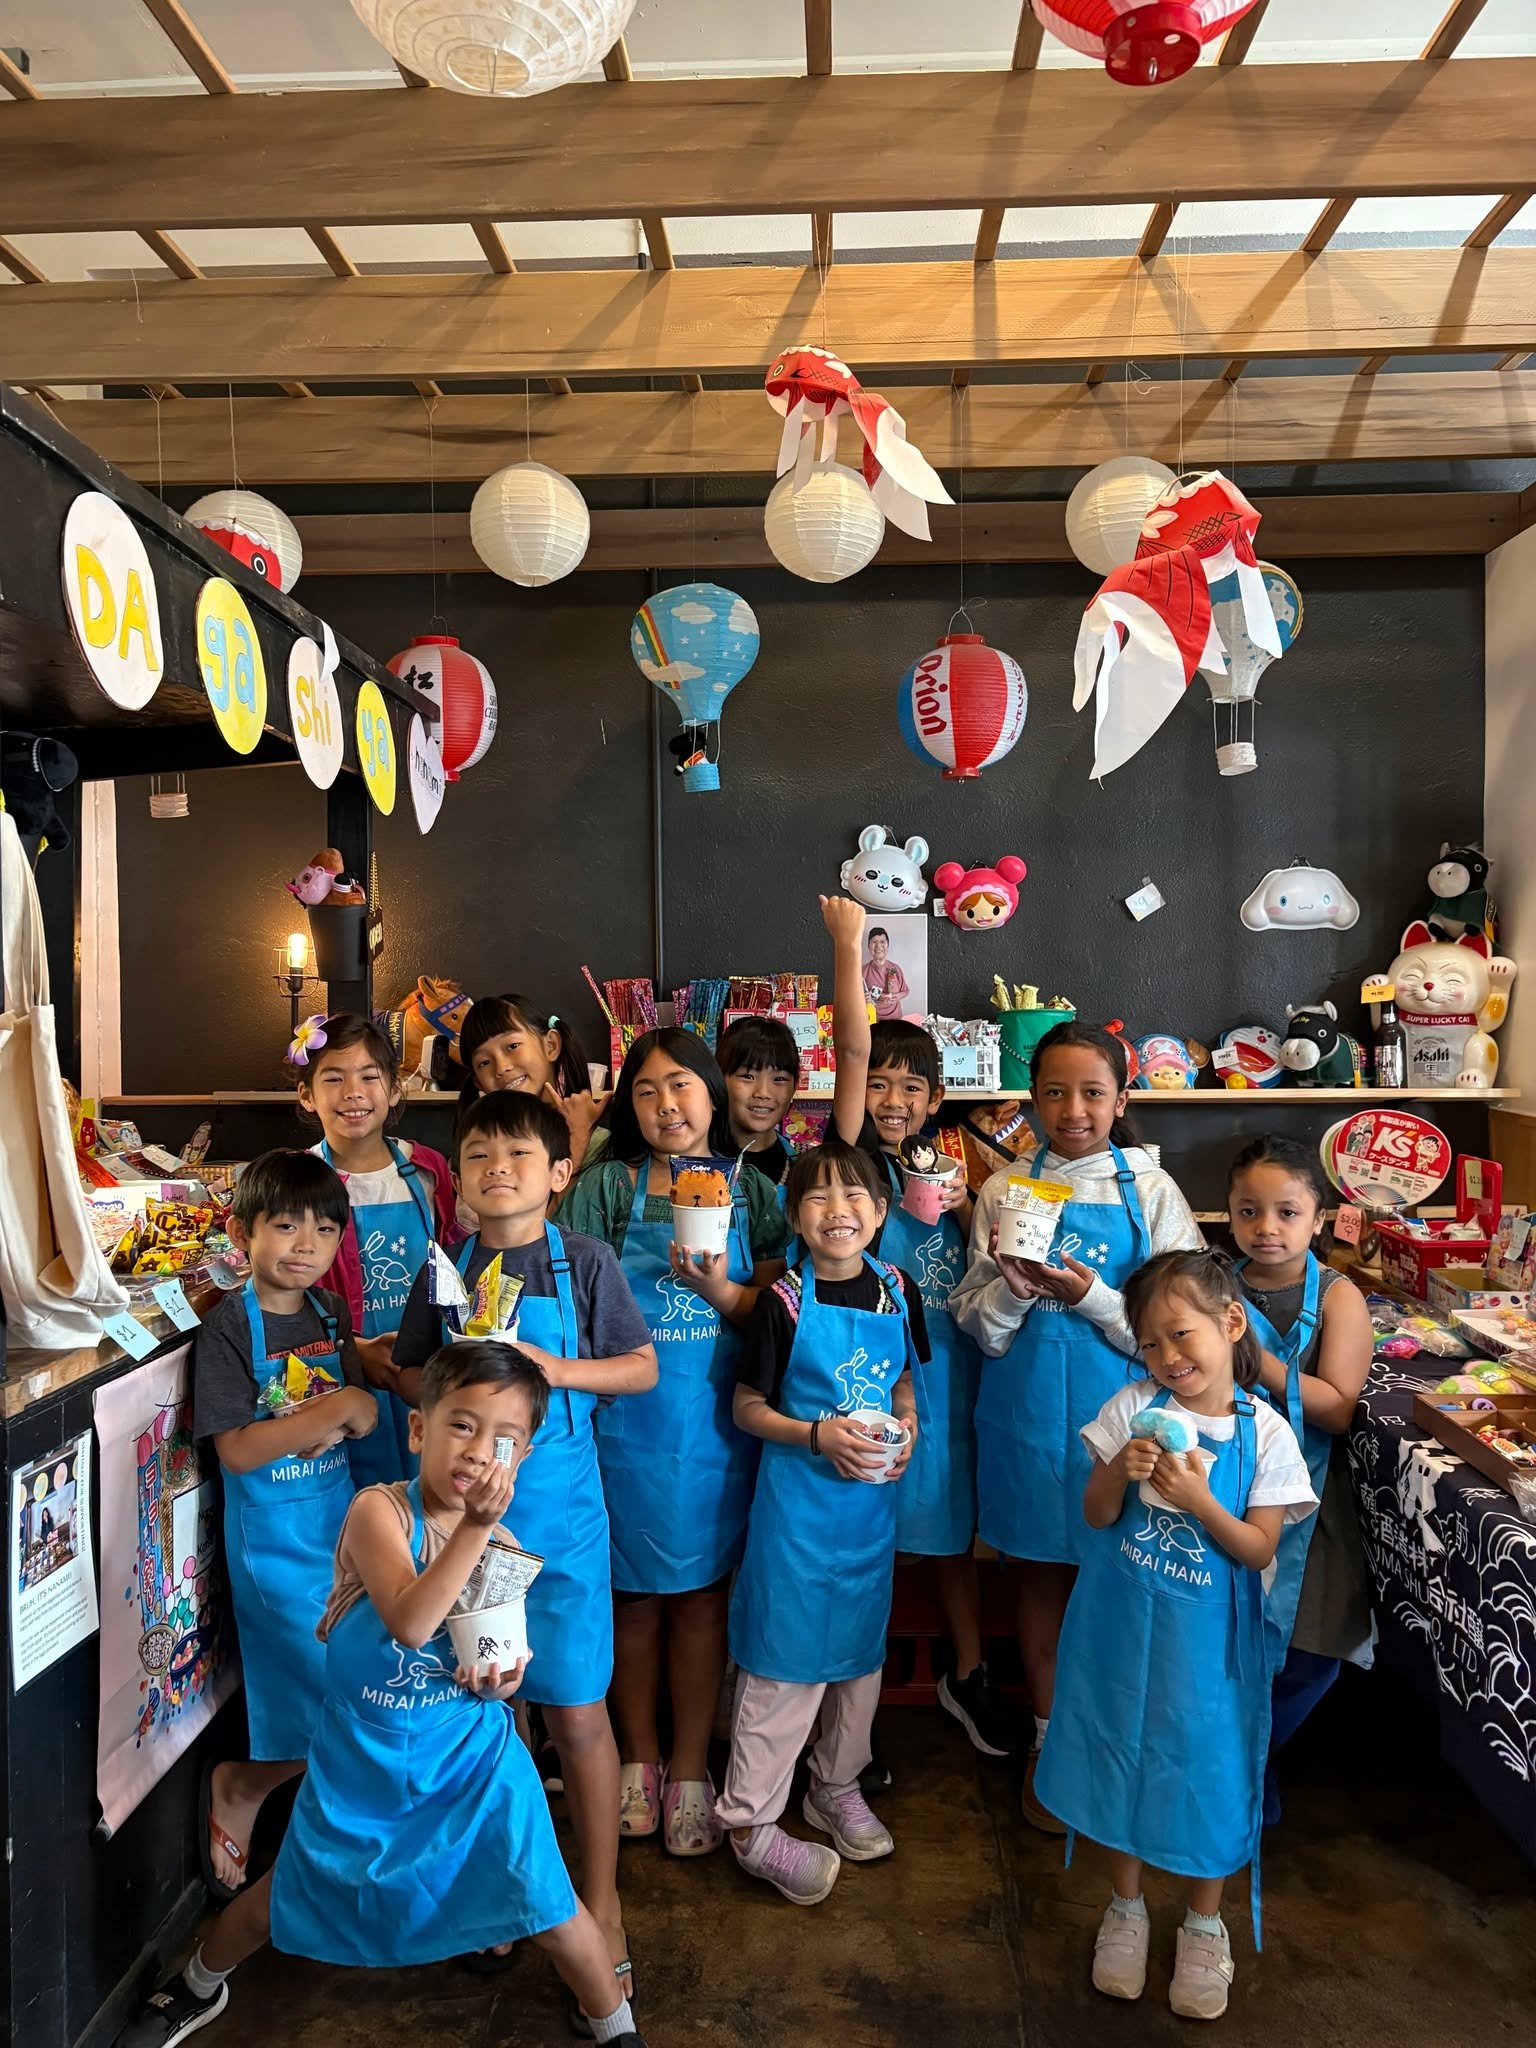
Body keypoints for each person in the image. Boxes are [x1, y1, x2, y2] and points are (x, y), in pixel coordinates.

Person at [116, 1341, 647, 2048]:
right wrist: (478, 1530)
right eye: (461, 1425)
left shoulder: (504, 1542)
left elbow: (507, 1664)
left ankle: (618, 2028)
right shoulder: (380, 1514)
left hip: (471, 1766)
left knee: (552, 1908)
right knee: (283, 1897)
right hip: (359, 1763)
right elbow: (409, 1619)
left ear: (523, 1459)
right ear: (419, 1430)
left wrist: (501, 1678)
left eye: (505, 1440)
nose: (478, 1451)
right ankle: (198, 1985)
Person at [391, 1089, 657, 2009]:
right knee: (488, 1724)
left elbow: (640, 1367)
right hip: (464, 1537)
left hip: (564, 1530)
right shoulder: (445, 1266)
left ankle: (602, 1902)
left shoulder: (586, 1262)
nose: (496, 1168)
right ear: (457, 1181)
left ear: (558, 1173)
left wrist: (553, 1369)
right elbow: (411, 1374)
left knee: (579, 1719)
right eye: (476, 1156)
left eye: (517, 1154)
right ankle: (504, 1891)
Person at [1036, 1250, 1316, 2020]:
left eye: (1180, 1335)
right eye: (1149, 1343)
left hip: (1211, 1664)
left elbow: (1260, 1549)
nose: (1166, 1357)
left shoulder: (1267, 1437)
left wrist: (1198, 1500)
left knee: (1206, 1772)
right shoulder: (1131, 1407)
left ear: (1231, 1324)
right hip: (1121, 1644)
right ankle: (1124, 1909)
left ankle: (1203, 1923)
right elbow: (1095, 1516)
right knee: (1120, 1759)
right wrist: (1118, 1471)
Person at [952, 1021, 1202, 1830]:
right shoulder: (1003, 1190)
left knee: (1132, 1585)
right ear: (1031, 1102)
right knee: (1041, 1577)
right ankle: (1050, 1745)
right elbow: (978, 1329)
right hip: (1026, 1421)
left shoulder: (1153, 1193)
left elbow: (1185, 1335)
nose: (1073, 1109)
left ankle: (1125, 1750)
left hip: (1131, 1430)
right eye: (1054, 1092)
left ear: (1122, 1099)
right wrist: (1016, 1291)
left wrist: (1090, 1296)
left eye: (1093, 1092)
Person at [562, 1028, 789, 1855]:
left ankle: (692, 1767)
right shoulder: (603, 1189)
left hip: (715, 1427)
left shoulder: (755, 1189)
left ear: (713, 1094)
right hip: (621, 1430)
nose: (667, 1105)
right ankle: (639, 1759)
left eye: (683, 1086)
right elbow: (569, 1299)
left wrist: (721, 1287)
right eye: (648, 1090)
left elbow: (775, 1307)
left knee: (699, 1598)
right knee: (627, 1596)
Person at [823, 895, 1007, 1761]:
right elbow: (854, 1050)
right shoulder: (855, 1160)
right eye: (881, 1083)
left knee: (948, 1536)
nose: (892, 1098)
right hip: (870, 1378)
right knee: (864, 1537)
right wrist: (849, 945)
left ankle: (967, 1672)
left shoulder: (955, 1164)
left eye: (912, 1086)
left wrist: (974, 1209)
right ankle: (849, 1696)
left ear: (938, 1097)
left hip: (950, 1379)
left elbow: (987, 1267)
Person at [719, 1140, 925, 1902]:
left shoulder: (899, 1290)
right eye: (818, 1199)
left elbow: (903, 1378)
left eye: (855, 1198)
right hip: (796, 1514)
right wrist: (815, 1435)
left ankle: (832, 1787)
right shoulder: (783, 1303)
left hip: (869, 1512)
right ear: (793, 1217)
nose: (838, 1212)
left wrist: (909, 1429)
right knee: (783, 1664)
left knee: (858, 1660)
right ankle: (750, 1821)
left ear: (880, 1213)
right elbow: (747, 1409)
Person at [191, 1150, 378, 1896]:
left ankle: (273, 1803)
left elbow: (361, 1410)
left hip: (337, 1532)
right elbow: (237, 1450)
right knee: (327, 1696)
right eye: (285, 1224)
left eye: (325, 1230)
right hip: (272, 1549)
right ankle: (243, 1784)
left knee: (346, 1690)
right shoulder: (229, 1330)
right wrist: (333, 1412)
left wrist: (356, 1407)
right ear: (241, 1232)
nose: (306, 1243)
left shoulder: (329, 1315)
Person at [1226, 1136, 1376, 1820]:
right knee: (1224, 1646)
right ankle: (1232, 1774)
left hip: (1312, 1507)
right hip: (1224, 1494)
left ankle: (1258, 1758)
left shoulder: (1340, 1298)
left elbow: (1338, 1409)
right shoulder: (1214, 1291)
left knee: (1315, 1650)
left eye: (1287, 1212)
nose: (1267, 1228)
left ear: (1318, 1218)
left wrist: (1254, 1362)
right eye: (1248, 1211)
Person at [293, 1011, 459, 1486]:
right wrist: (353, 1352)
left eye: (369, 1076)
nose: (353, 1092)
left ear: (394, 1089)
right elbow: (281, 1293)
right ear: (307, 1095)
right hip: (337, 1371)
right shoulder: (297, 1182)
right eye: (333, 1078)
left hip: (424, 1371)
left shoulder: (428, 1170)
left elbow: (450, 1260)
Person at [458, 992, 612, 1165]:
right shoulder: (483, 1151)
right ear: (479, 1083)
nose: (501, 1068)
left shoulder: (603, 1147)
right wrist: (577, 1139)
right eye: (484, 1062)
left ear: (551, 1046)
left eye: (512, 1046)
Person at [717, 1013, 801, 1196]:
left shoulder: (804, 1171)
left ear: (795, 1086)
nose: (763, 1093)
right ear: (719, 1079)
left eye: (779, 1079)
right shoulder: (697, 1160)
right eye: (748, 1076)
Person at [861, 926, 909, 1022]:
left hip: (895, 1019)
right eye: (874, 942)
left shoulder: (895, 968)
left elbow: (905, 991)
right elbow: (856, 996)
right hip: (872, 1019)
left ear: (888, 945)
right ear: (868, 946)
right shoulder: (863, 971)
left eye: (882, 942)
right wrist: (866, 998)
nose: (878, 946)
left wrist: (897, 997)